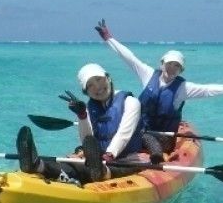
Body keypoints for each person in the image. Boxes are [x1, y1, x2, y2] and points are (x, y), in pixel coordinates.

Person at [94, 18, 223, 152]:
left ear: (180, 70)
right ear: (162, 63)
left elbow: (207, 90)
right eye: (169, 64)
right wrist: (109, 38)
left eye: (176, 66)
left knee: (144, 139)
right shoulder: (148, 74)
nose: (172, 68)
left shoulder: (183, 88)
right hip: (139, 130)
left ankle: (153, 156)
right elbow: (128, 57)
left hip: (164, 138)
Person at [16, 63, 146, 185]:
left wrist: (109, 155)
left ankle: (100, 172)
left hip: (127, 158)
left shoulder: (131, 102)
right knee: (73, 165)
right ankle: (37, 165)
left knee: (102, 168)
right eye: (90, 85)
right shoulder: (89, 108)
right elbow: (86, 140)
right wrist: (82, 115)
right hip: (96, 158)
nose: (97, 87)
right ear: (86, 92)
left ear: (108, 78)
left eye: (99, 79)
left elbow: (124, 134)